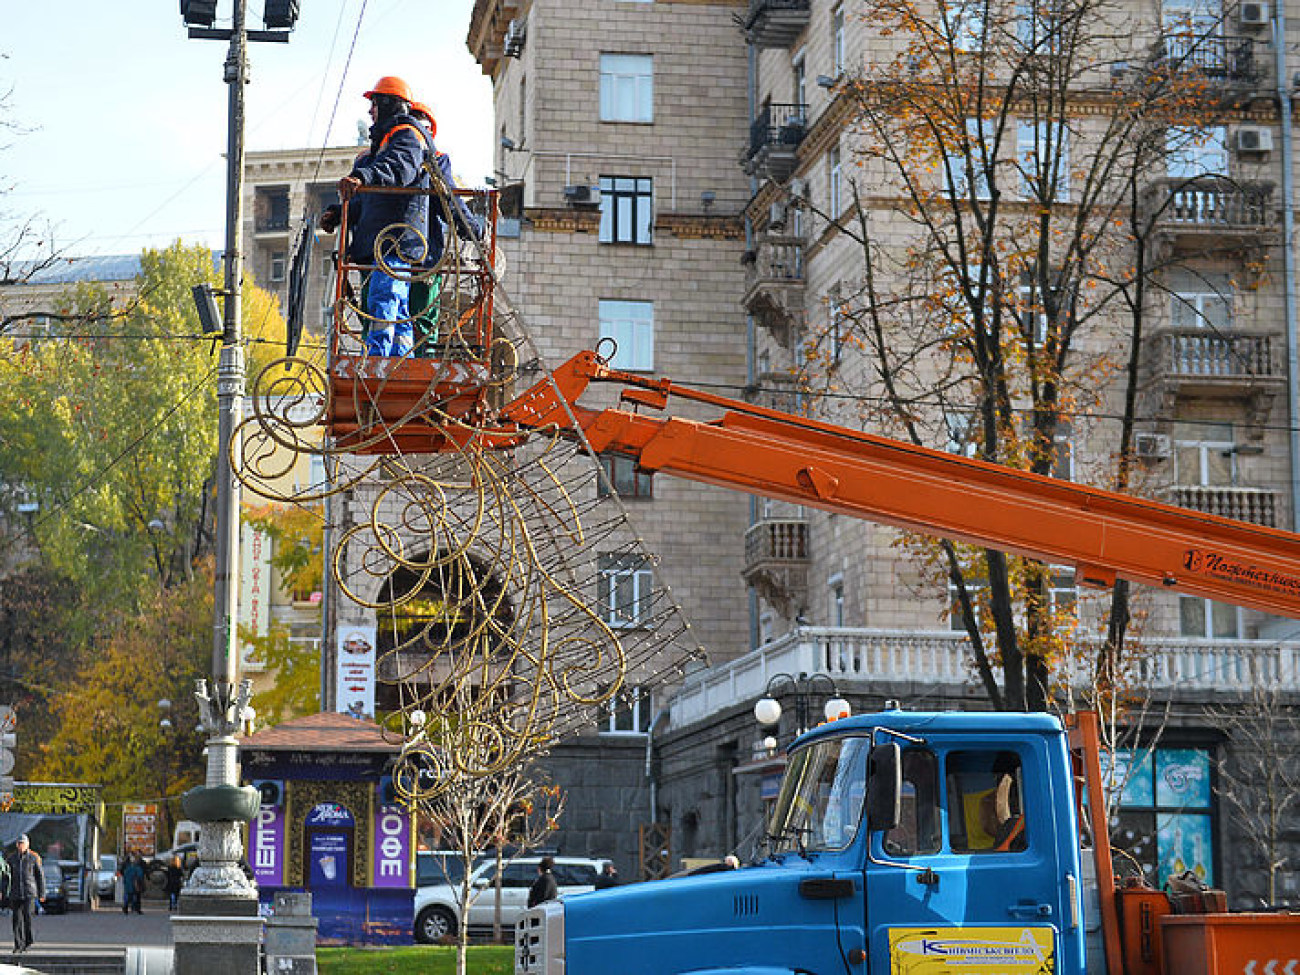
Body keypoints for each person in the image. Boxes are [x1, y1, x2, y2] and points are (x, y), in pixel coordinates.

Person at [325, 75, 436, 358]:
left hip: (395, 238)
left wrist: (362, 176)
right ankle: (400, 358)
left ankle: (380, 358)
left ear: (388, 103)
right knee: (394, 303)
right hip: (383, 240)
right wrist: (339, 214)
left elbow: (398, 169)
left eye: (374, 103)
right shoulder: (384, 144)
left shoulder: (407, 137)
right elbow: (370, 198)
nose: (370, 110)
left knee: (385, 296)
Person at [5, 835, 44, 954]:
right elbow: (6, 877)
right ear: (17, 845)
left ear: (27, 845)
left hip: (29, 893)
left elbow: (39, 876)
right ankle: (18, 944)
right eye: (19, 843)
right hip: (15, 893)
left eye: (23, 843)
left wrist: (41, 892)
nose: (21, 846)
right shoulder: (11, 859)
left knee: (27, 917)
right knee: (16, 919)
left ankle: (28, 941)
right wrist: (3, 890)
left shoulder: (33, 858)